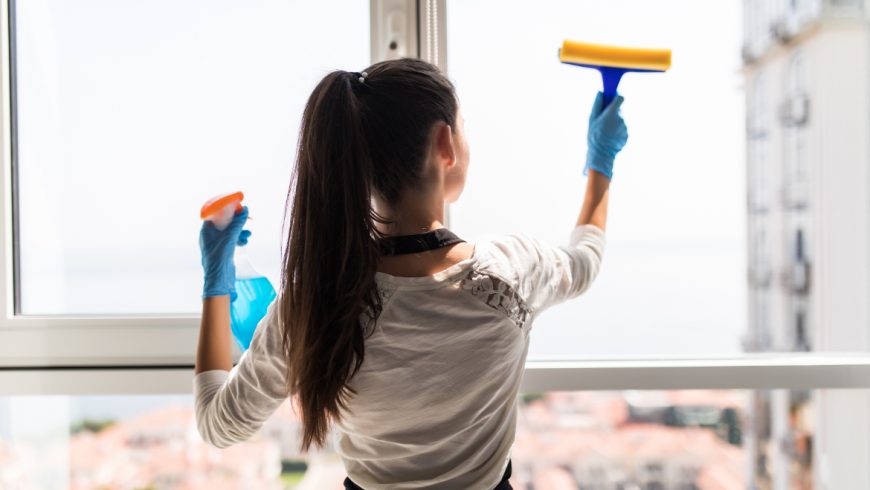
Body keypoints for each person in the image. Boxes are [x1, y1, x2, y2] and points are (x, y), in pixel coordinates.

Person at [195, 57, 627, 489]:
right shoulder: (512, 272)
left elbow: (217, 425)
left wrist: (216, 282)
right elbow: (585, 261)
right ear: (445, 143)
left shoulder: (315, 305)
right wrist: (600, 163)